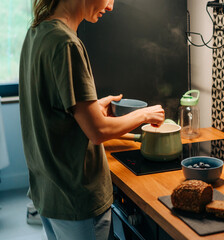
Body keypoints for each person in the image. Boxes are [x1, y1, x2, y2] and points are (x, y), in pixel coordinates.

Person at [19, 0, 165, 239]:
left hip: (48, 191)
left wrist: (91, 107)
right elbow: (98, 132)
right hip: (75, 197)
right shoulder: (67, 43)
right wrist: (144, 114)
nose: (111, 7)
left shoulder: (37, 31)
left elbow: (48, 107)